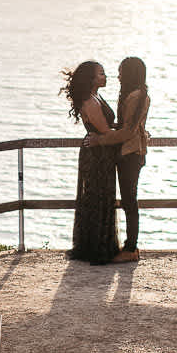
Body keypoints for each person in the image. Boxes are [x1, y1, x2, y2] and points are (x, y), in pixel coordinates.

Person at [61, 59, 120, 264]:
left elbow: (108, 127)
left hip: (101, 152)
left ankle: (98, 245)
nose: (106, 76)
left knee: (101, 196)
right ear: (91, 79)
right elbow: (105, 131)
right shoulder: (90, 101)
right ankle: (96, 248)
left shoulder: (96, 96)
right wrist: (131, 134)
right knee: (97, 197)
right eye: (101, 74)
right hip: (96, 154)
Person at [97, 56, 150, 261]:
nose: (118, 76)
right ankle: (130, 247)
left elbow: (128, 131)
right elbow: (130, 126)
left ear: (130, 74)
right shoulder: (136, 94)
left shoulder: (136, 96)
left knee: (129, 201)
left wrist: (101, 139)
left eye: (121, 72)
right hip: (132, 151)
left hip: (130, 152)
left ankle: (130, 248)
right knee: (129, 200)